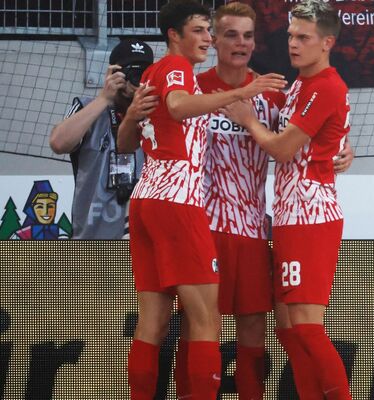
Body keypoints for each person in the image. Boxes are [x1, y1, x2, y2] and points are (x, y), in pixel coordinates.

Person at [171, 3, 353, 399]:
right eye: (231, 35)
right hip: (203, 226)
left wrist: (342, 147)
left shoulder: (273, 93)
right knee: (198, 324)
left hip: (255, 227)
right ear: (214, 40)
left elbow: (309, 131)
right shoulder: (192, 91)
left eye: (248, 36)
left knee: (259, 327)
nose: (240, 44)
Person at [115, 1, 286, 399]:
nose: (209, 39)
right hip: (185, 208)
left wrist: (337, 153)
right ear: (175, 34)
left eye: (211, 31)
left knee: (154, 323)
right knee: (204, 322)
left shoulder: (170, 76)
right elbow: (176, 107)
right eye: (205, 31)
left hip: (155, 202)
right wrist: (241, 93)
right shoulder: (182, 73)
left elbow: (130, 143)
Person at [49, 38, 156, 239]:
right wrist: (103, 98)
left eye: (145, 73)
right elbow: (58, 143)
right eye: (132, 72)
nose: (138, 80)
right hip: (93, 240)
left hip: (144, 241)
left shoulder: (158, 113)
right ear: (114, 74)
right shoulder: (88, 107)